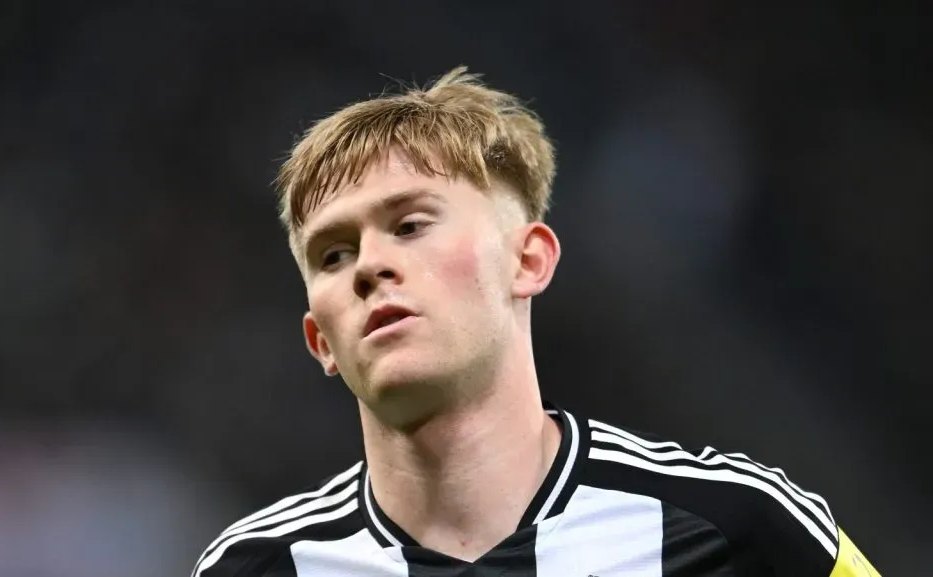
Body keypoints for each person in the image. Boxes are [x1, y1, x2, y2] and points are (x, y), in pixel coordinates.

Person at [191, 67, 880, 577]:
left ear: (528, 260)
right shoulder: (254, 568)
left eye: (409, 224)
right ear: (321, 339)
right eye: (334, 253)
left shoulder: (731, 523)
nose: (370, 265)